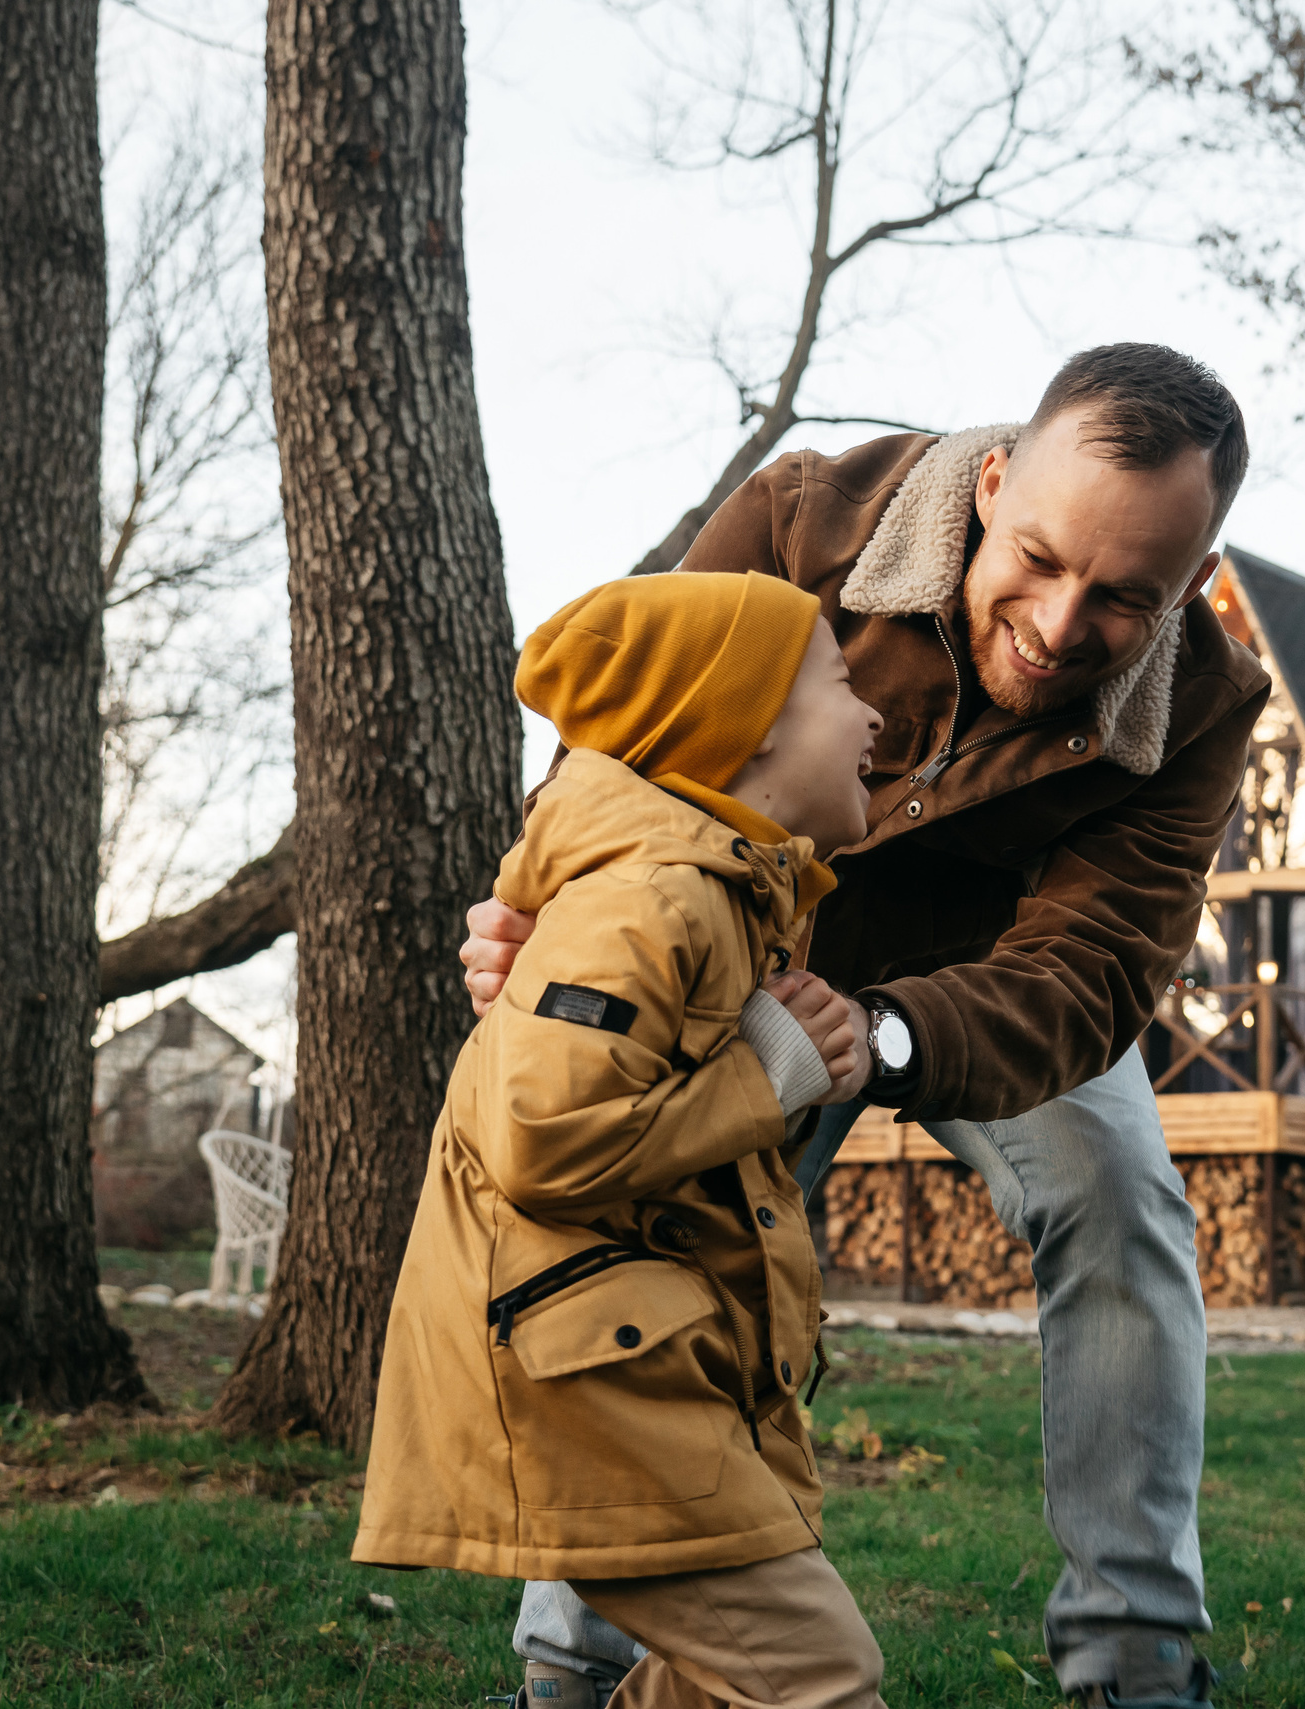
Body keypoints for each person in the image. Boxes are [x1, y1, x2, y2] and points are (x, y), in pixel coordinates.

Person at [466, 344, 1272, 1709]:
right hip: (733, 959)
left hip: (976, 995)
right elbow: (629, 730)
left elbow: (1095, 969)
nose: (1065, 623)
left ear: (1190, 585)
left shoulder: (1203, 706)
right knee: (659, 1262)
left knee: (1126, 1204)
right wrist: (546, 914)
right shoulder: (803, 523)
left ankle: (1135, 1660)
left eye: (1126, 597)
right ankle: (571, 1663)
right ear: (998, 478)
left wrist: (879, 1037)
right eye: (1042, 557)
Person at [352, 571, 895, 1709]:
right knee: (818, 1677)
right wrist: (772, 1071)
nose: (876, 714)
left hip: (652, 1376)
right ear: (741, 730)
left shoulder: (726, 898)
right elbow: (541, 1139)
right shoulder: (648, 900)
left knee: (725, 1681)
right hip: (587, 1392)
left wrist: (785, 1060)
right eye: (841, 684)